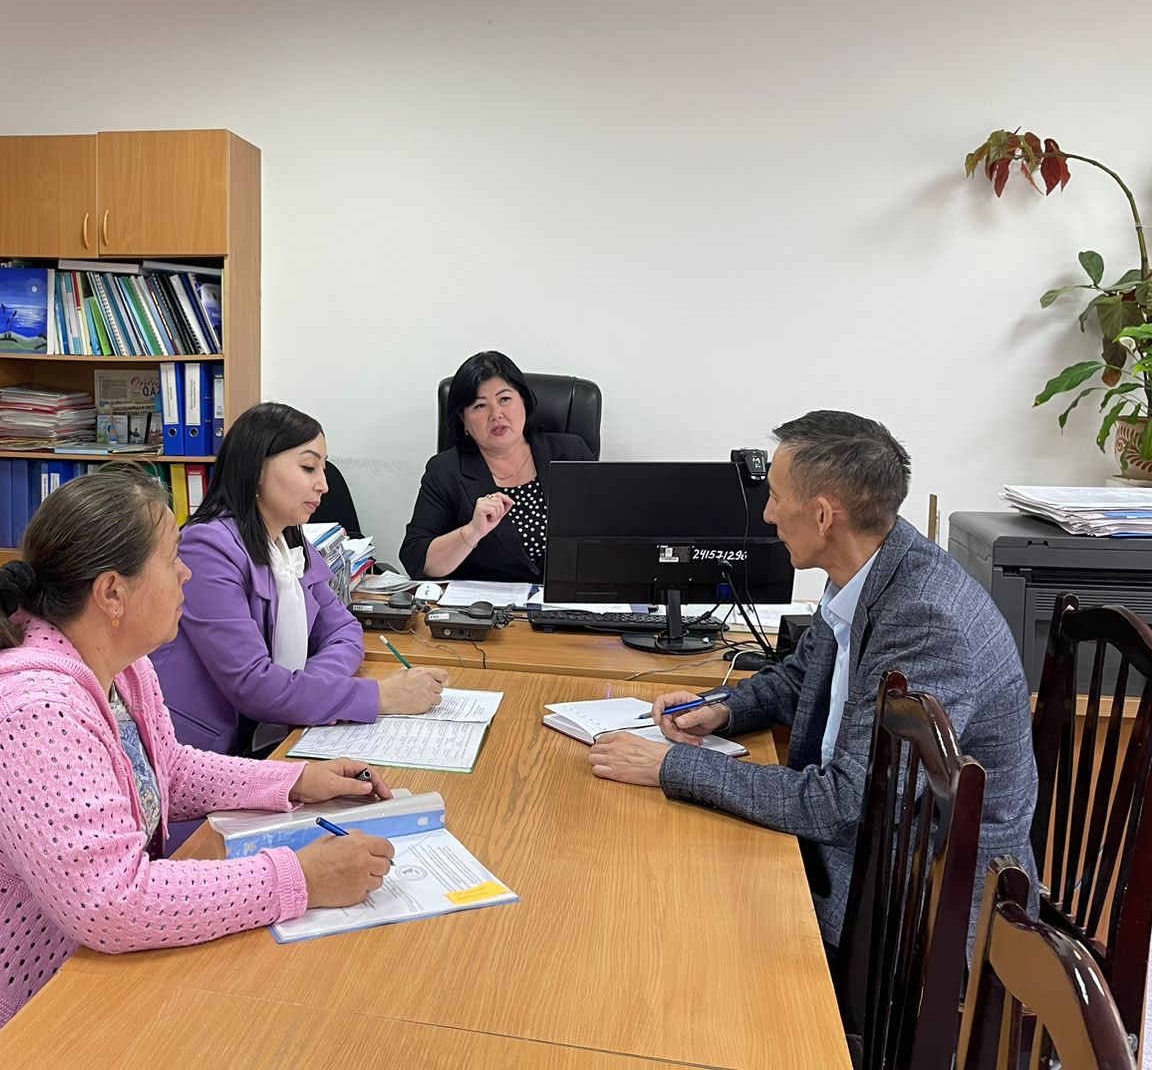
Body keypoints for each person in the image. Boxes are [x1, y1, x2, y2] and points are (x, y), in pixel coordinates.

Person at [0, 470, 399, 1069]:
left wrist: (293, 780)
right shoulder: (31, 713)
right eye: (172, 559)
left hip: (68, 978)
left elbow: (165, 771)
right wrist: (299, 877)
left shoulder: (121, 665)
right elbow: (114, 901)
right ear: (112, 593)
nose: (186, 574)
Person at [585, 410, 1038, 950]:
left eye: (776, 497)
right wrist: (724, 709)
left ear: (822, 516)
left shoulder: (925, 619)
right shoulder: (871, 567)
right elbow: (803, 676)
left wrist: (671, 766)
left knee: (682, 919)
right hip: (866, 848)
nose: (768, 513)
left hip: (921, 901)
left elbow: (845, 807)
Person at [155, 402, 447, 757]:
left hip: (276, 734)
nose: (323, 485)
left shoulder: (289, 540)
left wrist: (303, 687)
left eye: (323, 469)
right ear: (256, 468)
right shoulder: (206, 548)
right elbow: (254, 686)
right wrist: (380, 696)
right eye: (309, 467)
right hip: (205, 753)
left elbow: (344, 630)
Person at [400, 350, 594, 583]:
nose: (496, 414)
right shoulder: (445, 471)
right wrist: (471, 532)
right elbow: (417, 561)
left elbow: (609, 532)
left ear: (524, 401)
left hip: (566, 598)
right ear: (463, 420)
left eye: (505, 399)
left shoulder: (571, 453)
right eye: (480, 406)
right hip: (483, 604)